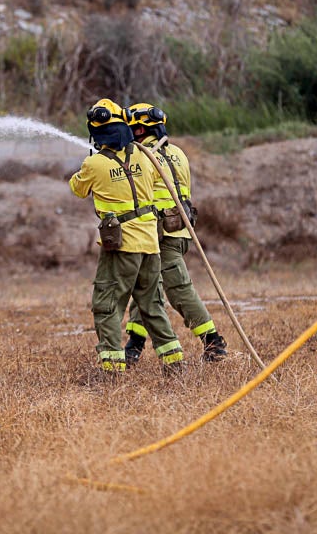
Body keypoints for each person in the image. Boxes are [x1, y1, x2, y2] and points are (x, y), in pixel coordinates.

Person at [69, 98, 185, 373]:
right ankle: (175, 364)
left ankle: (111, 369)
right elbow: (157, 184)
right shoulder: (147, 156)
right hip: (150, 244)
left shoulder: (94, 164)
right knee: (152, 305)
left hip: (122, 247)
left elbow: (77, 188)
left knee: (107, 305)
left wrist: (92, 161)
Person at [121, 103, 228, 366]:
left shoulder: (143, 154)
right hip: (178, 230)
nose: (129, 132)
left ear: (142, 128)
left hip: (163, 233)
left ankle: (213, 342)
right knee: (147, 286)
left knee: (177, 288)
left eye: (132, 127)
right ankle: (135, 342)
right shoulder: (176, 152)